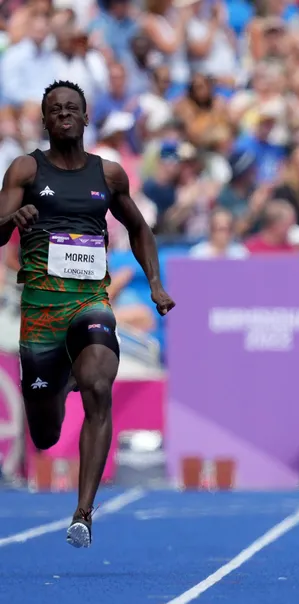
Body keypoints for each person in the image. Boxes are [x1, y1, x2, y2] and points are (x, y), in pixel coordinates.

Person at [0, 80, 174, 547]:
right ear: (44, 119)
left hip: (89, 301)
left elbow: (139, 229)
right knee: (43, 432)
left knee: (99, 381)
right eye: (54, 109)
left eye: (71, 108)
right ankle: (59, 380)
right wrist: (10, 221)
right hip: (40, 310)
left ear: (85, 117)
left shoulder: (109, 174)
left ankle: (83, 511)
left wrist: (155, 283)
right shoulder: (24, 169)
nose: (63, 114)